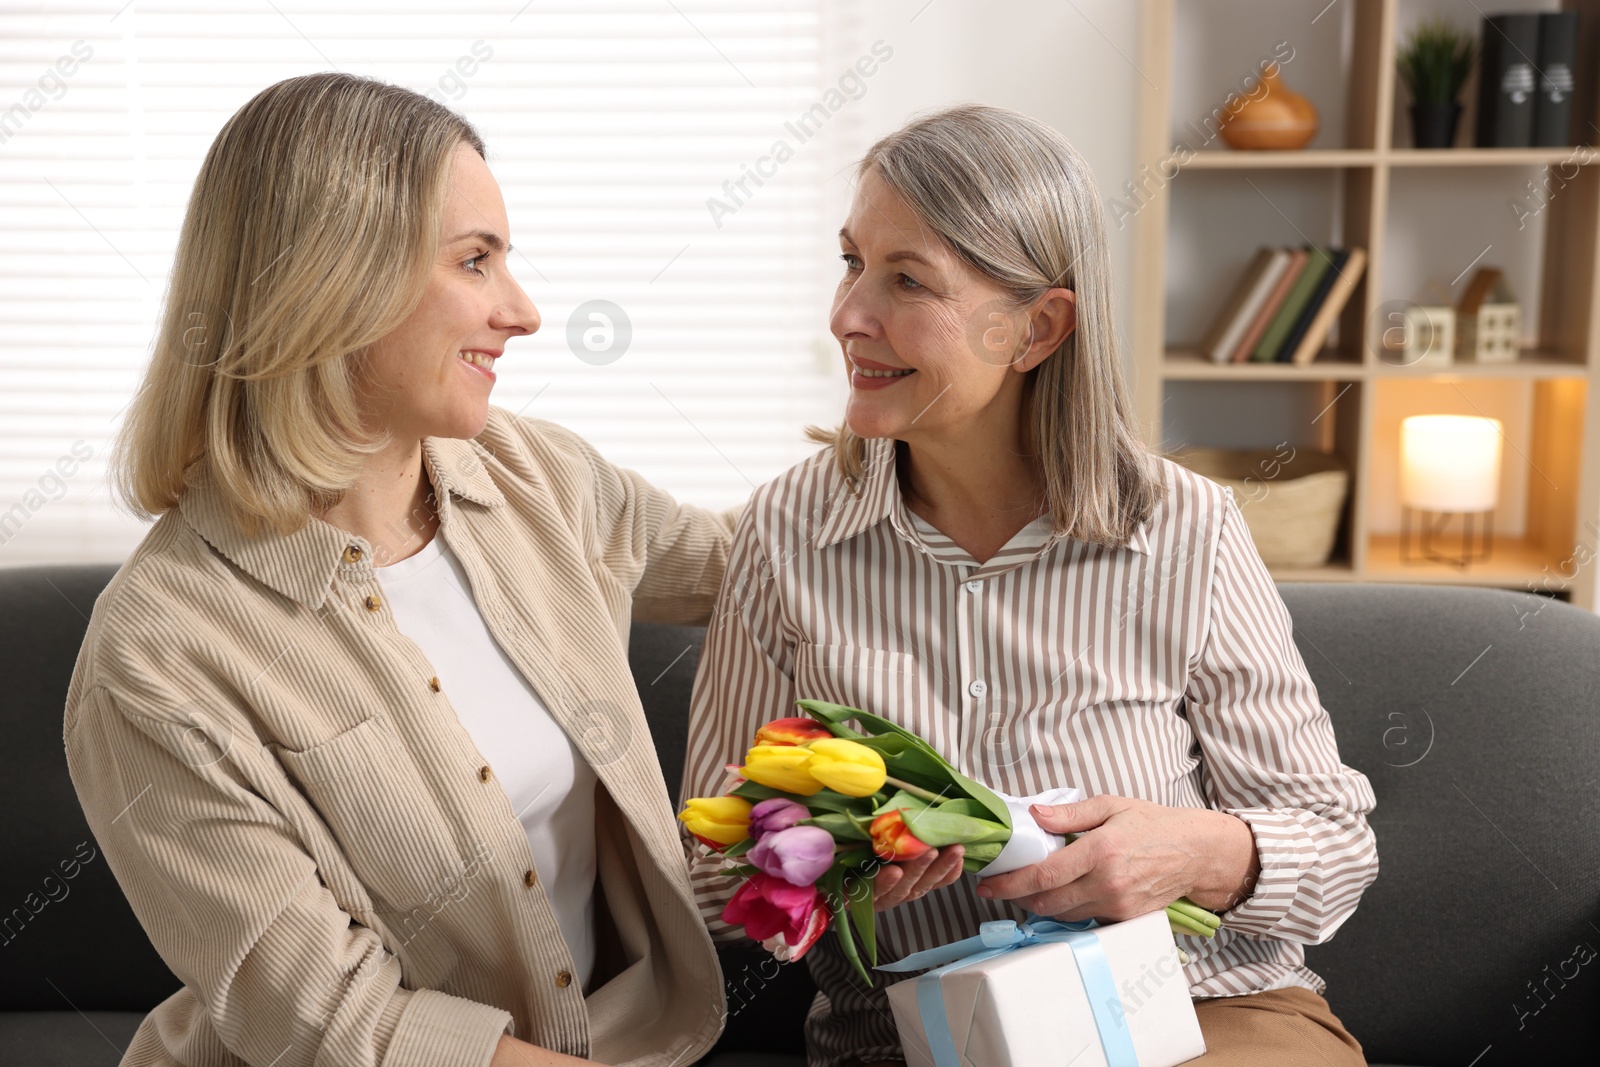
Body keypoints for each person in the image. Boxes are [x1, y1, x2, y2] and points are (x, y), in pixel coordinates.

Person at [65, 72, 739, 1067]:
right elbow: (345, 1028)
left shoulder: (536, 476)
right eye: (476, 261)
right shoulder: (155, 657)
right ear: (329, 282)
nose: (523, 310)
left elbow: (764, 567)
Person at [681, 104, 1377, 1067]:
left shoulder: (1187, 527)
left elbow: (1338, 849)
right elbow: (710, 873)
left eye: (907, 279)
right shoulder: (785, 534)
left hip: (1203, 1016)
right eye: (851, 263)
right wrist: (831, 863)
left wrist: (1194, 851)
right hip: (920, 1036)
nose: (847, 315)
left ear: (1037, 329)